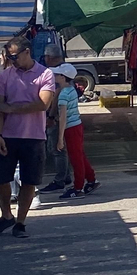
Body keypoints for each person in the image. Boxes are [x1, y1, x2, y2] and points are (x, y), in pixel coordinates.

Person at [0, 37, 56, 237]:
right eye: (9, 56)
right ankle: (7, 215)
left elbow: (43, 104)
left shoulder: (45, 74)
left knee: (29, 180)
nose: (11, 59)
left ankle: (21, 222)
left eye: (14, 56)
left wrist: (12, 109)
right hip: (7, 135)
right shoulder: (4, 76)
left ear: (27, 52)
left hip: (34, 136)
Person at [52, 63, 97, 199]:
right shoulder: (71, 90)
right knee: (80, 155)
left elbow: (63, 117)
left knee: (75, 158)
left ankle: (78, 188)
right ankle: (91, 180)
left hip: (70, 128)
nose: (54, 75)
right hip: (77, 126)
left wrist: (60, 139)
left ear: (62, 77)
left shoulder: (63, 95)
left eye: (57, 74)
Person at [41, 47, 72, 195]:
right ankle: (65, 176)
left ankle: (60, 179)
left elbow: (56, 96)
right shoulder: (64, 71)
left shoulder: (58, 74)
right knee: (58, 148)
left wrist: (51, 116)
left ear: (50, 57)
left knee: (57, 148)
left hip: (57, 117)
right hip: (59, 116)